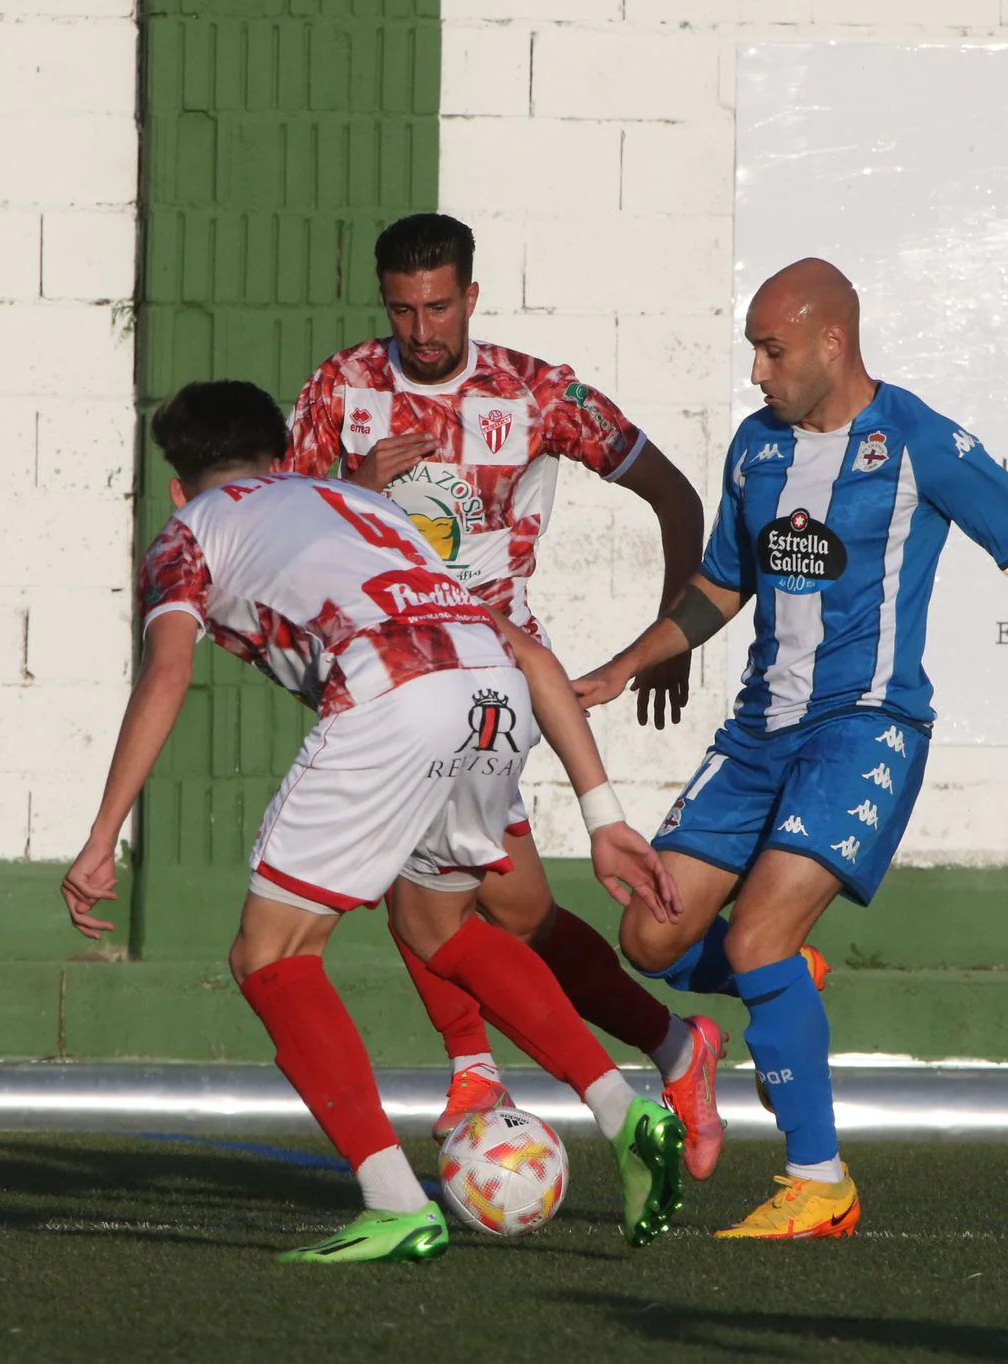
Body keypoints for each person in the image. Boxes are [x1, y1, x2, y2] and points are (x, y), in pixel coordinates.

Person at [61, 379, 689, 1265]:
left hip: (393, 692)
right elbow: (530, 653)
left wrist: (100, 841)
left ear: (176, 482)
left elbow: (164, 676)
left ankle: (394, 1202)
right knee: (438, 926)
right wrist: (601, 811)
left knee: (272, 955)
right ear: (281, 459)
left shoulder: (187, 535)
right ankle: (624, 1110)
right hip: (491, 691)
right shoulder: (357, 502)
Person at [575, 259, 1008, 1239]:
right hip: (758, 733)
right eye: (753, 352)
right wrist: (623, 664)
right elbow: (721, 585)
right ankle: (781, 988)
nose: (757, 373)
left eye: (771, 351)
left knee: (757, 934)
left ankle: (818, 1180)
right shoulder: (755, 448)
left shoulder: (914, 440)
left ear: (829, 342)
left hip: (863, 727)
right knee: (649, 934)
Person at [280, 213, 731, 1178]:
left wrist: (673, 640)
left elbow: (679, 497)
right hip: (380, 668)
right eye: (403, 310)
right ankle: (674, 1049)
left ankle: (480, 1071)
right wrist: (354, 485)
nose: (422, 330)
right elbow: (281, 522)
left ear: (471, 297)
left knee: (411, 894)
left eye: (439, 306)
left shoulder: (535, 393)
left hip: (491, 672)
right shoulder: (341, 390)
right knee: (516, 913)